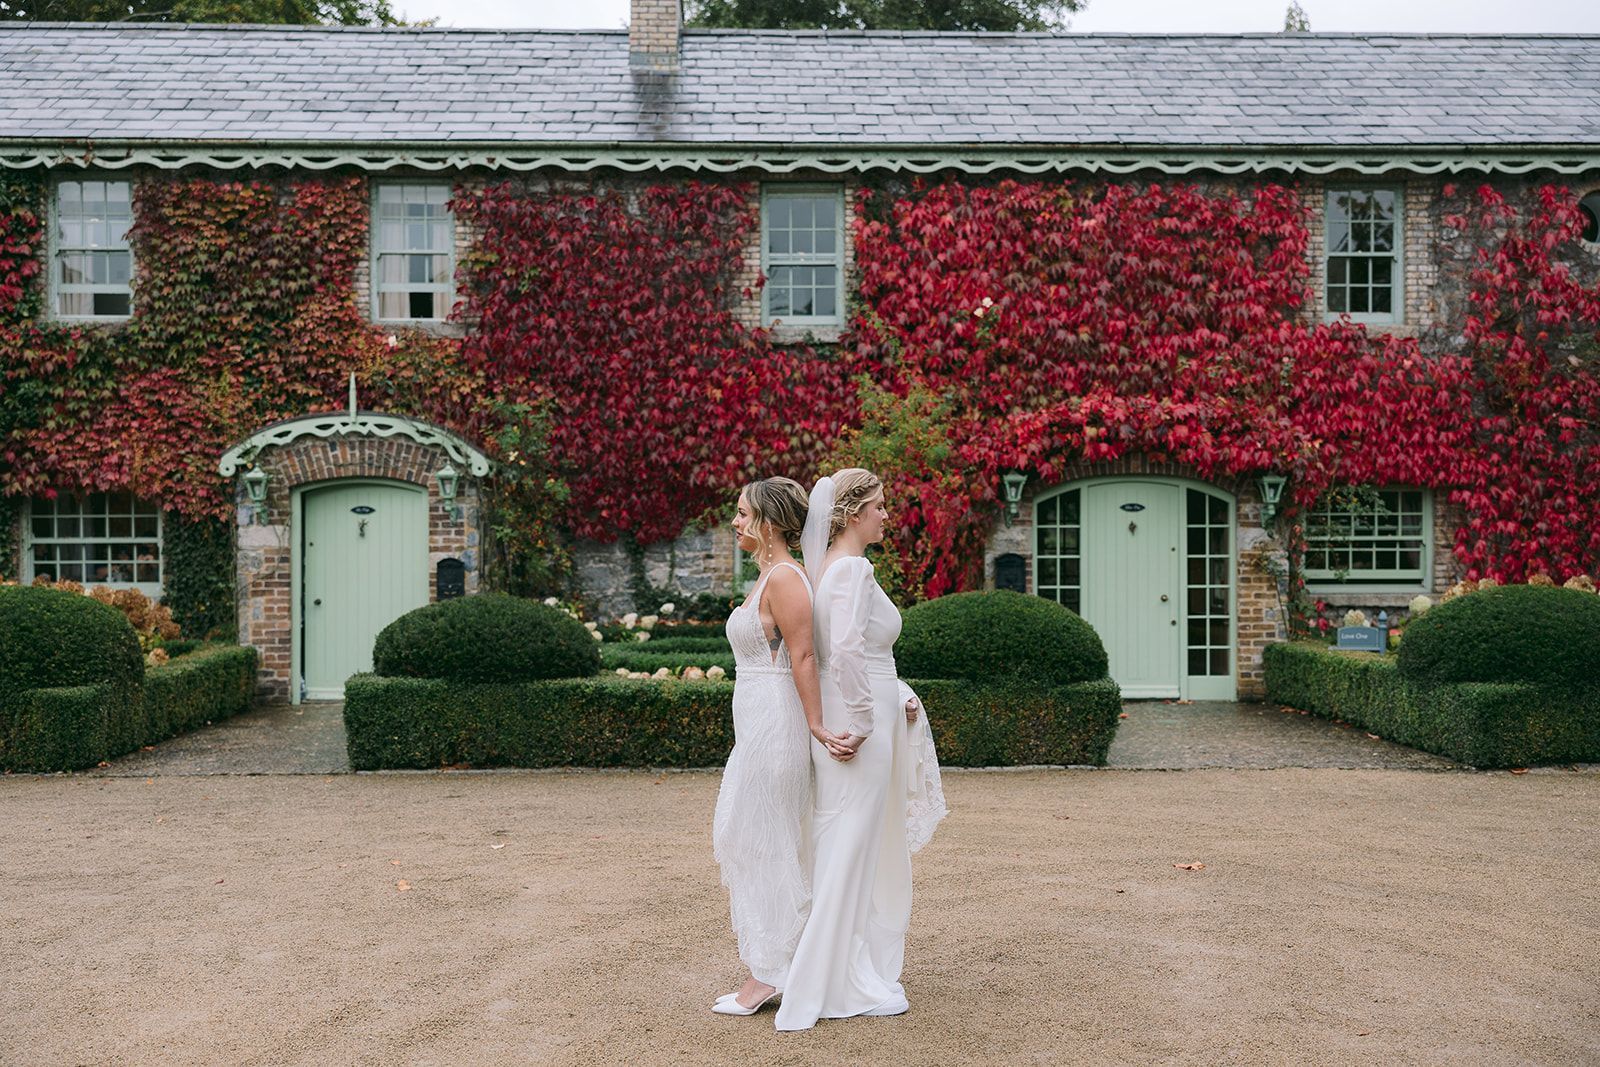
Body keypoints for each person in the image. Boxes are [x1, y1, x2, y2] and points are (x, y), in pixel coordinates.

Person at [774, 468, 947, 1032]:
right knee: (851, 844)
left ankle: (839, 965)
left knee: (844, 840)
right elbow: (846, 650)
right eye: (877, 506)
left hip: (855, 712)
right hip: (857, 727)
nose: (886, 515)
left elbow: (850, 654)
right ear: (850, 514)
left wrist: (895, 696)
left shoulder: (828, 571)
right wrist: (870, 718)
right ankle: (833, 980)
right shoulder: (853, 568)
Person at [711, 477, 855, 1016]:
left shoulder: (787, 578)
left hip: (777, 725)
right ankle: (777, 963)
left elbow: (804, 656)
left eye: (743, 513)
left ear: (770, 521)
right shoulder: (768, 576)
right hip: (754, 725)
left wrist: (817, 725)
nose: (735, 522)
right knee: (748, 838)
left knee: (767, 842)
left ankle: (769, 974)